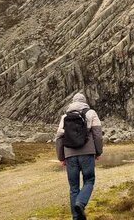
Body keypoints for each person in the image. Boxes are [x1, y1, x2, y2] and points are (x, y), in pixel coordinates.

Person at [55, 92, 103, 220]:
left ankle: (76, 218)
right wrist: (98, 152)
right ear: (84, 101)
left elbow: (59, 138)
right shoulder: (91, 113)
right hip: (87, 153)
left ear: (72, 102)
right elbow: (97, 135)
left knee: (74, 187)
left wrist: (61, 157)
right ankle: (80, 203)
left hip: (70, 154)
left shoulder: (65, 116)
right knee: (89, 180)